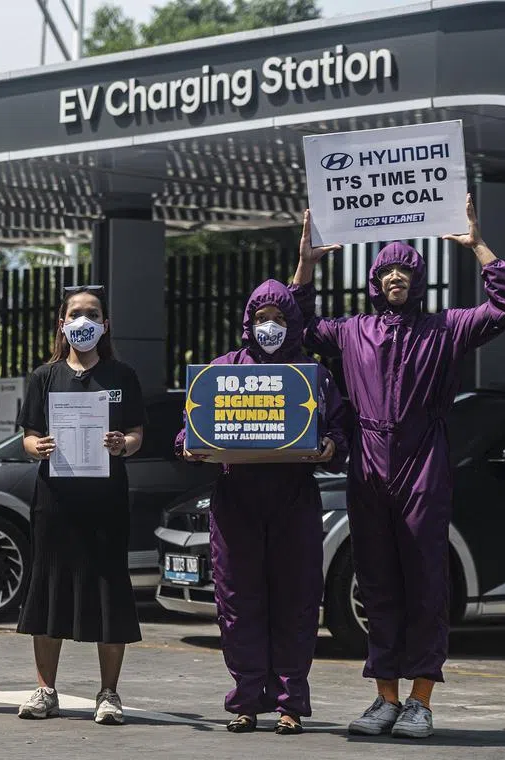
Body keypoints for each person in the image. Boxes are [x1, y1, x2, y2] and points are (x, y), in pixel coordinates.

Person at [292, 195, 505, 738]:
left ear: (417, 279)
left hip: (424, 460)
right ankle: (385, 699)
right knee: (376, 582)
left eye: (405, 268)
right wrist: (308, 262)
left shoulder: (445, 328)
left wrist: (478, 246)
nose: (396, 275)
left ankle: (421, 699)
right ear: (375, 280)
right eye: (387, 269)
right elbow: (298, 325)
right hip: (369, 464)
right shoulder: (351, 332)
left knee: (425, 580)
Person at [174, 280, 350, 735]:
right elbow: (190, 428)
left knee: (296, 601)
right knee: (237, 601)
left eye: (279, 318)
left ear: (293, 323)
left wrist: (330, 445)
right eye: (262, 317)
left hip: (293, 497)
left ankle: (291, 703)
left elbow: (339, 431)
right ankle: (247, 699)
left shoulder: (313, 374)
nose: (269, 326)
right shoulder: (222, 370)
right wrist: (189, 447)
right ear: (248, 321)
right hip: (237, 499)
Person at [15, 284, 145, 726]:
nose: (84, 321)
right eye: (76, 314)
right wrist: (39, 447)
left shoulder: (121, 376)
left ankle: (109, 693)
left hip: (106, 503)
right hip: (55, 501)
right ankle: (45, 690)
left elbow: (137, 434)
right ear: (62, 323)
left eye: (93, 314)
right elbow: (28, 434)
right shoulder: (43, 377)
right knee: (48, 590)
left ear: (105, 324)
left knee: (109, 591)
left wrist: (121, 444)